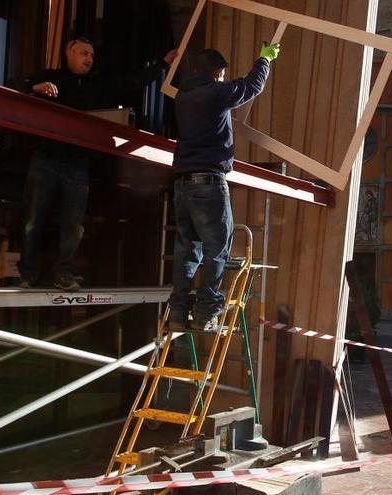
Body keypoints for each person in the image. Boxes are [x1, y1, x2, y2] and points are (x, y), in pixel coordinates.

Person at [17, 37, 178, 291]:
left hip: (77, 162)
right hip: (45, 158)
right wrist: (35, 88)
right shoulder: (48, 77)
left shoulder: (95, 85)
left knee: (73, 223)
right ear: (68, 53)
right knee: (33, 219)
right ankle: (27, 274)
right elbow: (14, 86)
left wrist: (161, 64)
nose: (89, 59)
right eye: (83, 53)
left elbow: (131, 83)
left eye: (91, 55)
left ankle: (64, 275)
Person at [167, 43, 280, 332]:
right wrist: (264, 60)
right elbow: (251, 86)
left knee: (187, 250)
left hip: (182, 184)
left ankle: (178, 313)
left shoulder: (183, 96)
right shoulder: (215, 94)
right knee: (217, 249)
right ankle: (206, 314)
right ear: (218, 73)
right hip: (209, 183)